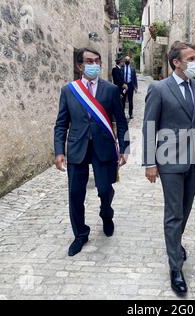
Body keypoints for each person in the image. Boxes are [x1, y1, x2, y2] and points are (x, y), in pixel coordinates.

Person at [142, 41, 195, 296]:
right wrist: (150, 162)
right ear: (176, 62)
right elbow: (149, 126)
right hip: (168, 160)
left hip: (193, 160)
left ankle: (175, 243)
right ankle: (175, 268)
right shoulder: (159, 89)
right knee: (174, 213)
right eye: (191, 58)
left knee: (185, 209)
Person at [54, 48, 130, 257]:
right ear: (80, 65)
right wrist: (59, 150)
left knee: (105, 190)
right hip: (77, 147)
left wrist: (125, 148)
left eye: (97, 61)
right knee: (75, 195)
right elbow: (61, 124)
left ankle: (107, 213)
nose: (94, 64)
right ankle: (80, 234)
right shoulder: (69, 91)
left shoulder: (111, 90)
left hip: (103, 147)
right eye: (89, 61)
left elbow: (121, 122)